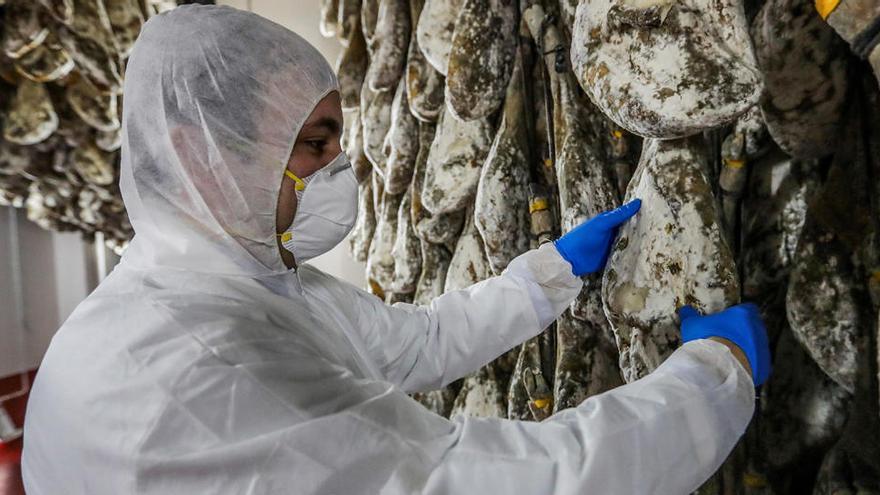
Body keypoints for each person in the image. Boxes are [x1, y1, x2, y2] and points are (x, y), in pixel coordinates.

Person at [21, 5, 770, 494]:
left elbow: (417, 345)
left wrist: (551, 272)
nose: (337, 167)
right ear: (202, 151)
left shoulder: (252, 288)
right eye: (313, 144)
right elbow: (470, 481)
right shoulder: (185, 365)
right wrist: (713, 379)